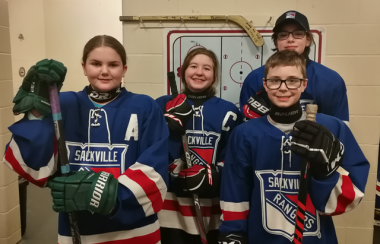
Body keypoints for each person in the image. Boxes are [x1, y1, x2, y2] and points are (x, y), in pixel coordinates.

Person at [3, 35, 169, 244]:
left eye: (113, 64)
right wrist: (36, 113)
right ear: (84, 66)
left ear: (124, 69)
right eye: (96, 64)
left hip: (136, 230)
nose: (105, 71)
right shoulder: (63, 104)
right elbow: (32, 166)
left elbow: (156, 171)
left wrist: (102, 194)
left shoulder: (145, 106)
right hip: (79, 229)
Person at [218, 50, 369, 244]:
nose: (283, 88)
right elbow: (235, 189)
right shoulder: (245, 133)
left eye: (292, 80)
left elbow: (348, 199)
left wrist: (325, 172)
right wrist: (233, 231)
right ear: (265, 85)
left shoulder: (332, 128)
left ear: (304, 84)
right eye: (275, 80)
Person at [156, 48, 243, 244]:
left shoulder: (229, 111)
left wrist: (216, 173)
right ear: (182, 71)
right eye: (193, 66)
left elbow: (234, 156)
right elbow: (151, 151)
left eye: (207, 68)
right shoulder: (162, 105)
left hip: (210, 204)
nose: (199, 72)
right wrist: (168, 129)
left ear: (214, 76)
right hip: (171, 205)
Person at [240, 10, 349, 125]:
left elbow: (340, 130)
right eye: (283, 35)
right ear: (276, 42)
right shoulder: (255, 79)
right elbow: (245, 129)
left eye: (298, 34)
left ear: (308, 40)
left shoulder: (330, 80)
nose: (290, 39)